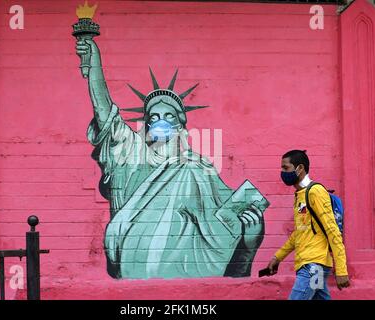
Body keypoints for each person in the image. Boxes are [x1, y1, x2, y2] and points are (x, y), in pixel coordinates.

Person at [75, 38, 266, 279]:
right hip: (133, 269)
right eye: (153, 118)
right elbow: (106, 116)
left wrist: (249, 240)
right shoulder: (133, 154)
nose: (160, 122)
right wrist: (94, 66)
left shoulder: (197, 167)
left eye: (169, 116)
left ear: (182, 128)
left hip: (190, 277)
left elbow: (227, 218)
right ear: (144, 125)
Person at [267, 150, 350, 300]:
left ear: (300, 168)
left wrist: (341, 269)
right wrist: (278, 257)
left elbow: (333, 231)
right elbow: (299, 233)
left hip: (313, 267)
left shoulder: (315, 192)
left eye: (286, 168)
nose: (282, 172)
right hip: (310, 266)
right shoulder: (300, 195)